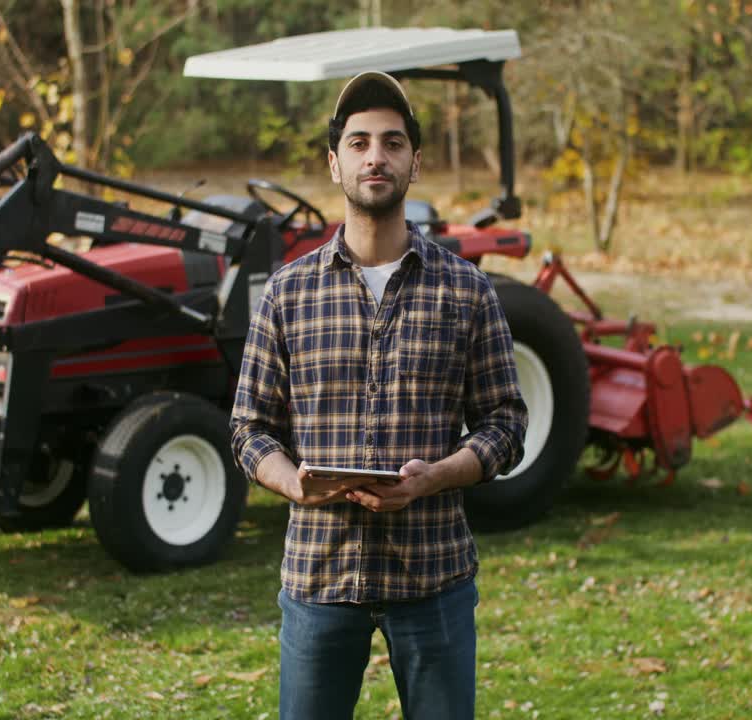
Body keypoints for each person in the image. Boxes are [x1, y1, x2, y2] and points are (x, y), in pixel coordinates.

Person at [229, 71, 527, 720]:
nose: (375, 156)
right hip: (318, 576)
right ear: (334, 163)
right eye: (359, 142)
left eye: (392, 143)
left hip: (433, 575)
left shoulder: (466, 291)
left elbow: (506, 422)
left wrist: (436, 476)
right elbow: (249, 427)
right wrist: (290, 482)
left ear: (414, 163)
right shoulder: (288, 293)